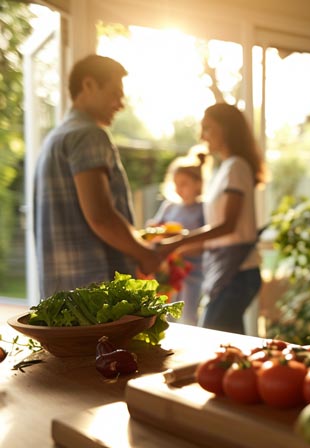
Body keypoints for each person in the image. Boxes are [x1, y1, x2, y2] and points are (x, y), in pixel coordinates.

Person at [34, 54, 162, 298]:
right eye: (116, 92)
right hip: (98, 300)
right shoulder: (89, 135)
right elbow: (100, 216)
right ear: (89, 85)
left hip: (64, 297)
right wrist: (145, 254)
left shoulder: (55, 138)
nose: (121, 103)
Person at [161, 103, 264, 334]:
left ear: (225, 129)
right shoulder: (225, 169)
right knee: (229, 346)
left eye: (207, 128)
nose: (201, 136)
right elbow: (219, 237)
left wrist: (178, 242)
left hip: (238, 272)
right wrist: (176, 248)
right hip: (227, 270)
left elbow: (227, 226)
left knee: (213, 336)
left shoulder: (236, 167)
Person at [148, 151, 207, 325]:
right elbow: (156, 230)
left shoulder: (203, 209)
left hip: (193, 273)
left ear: (198, 184)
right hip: (168, 273)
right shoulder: (169, 207)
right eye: (176, 184)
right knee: (167, 316)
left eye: (184, 184)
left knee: (188, 317)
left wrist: (177, 244)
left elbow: (203, 244)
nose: (179, 189)